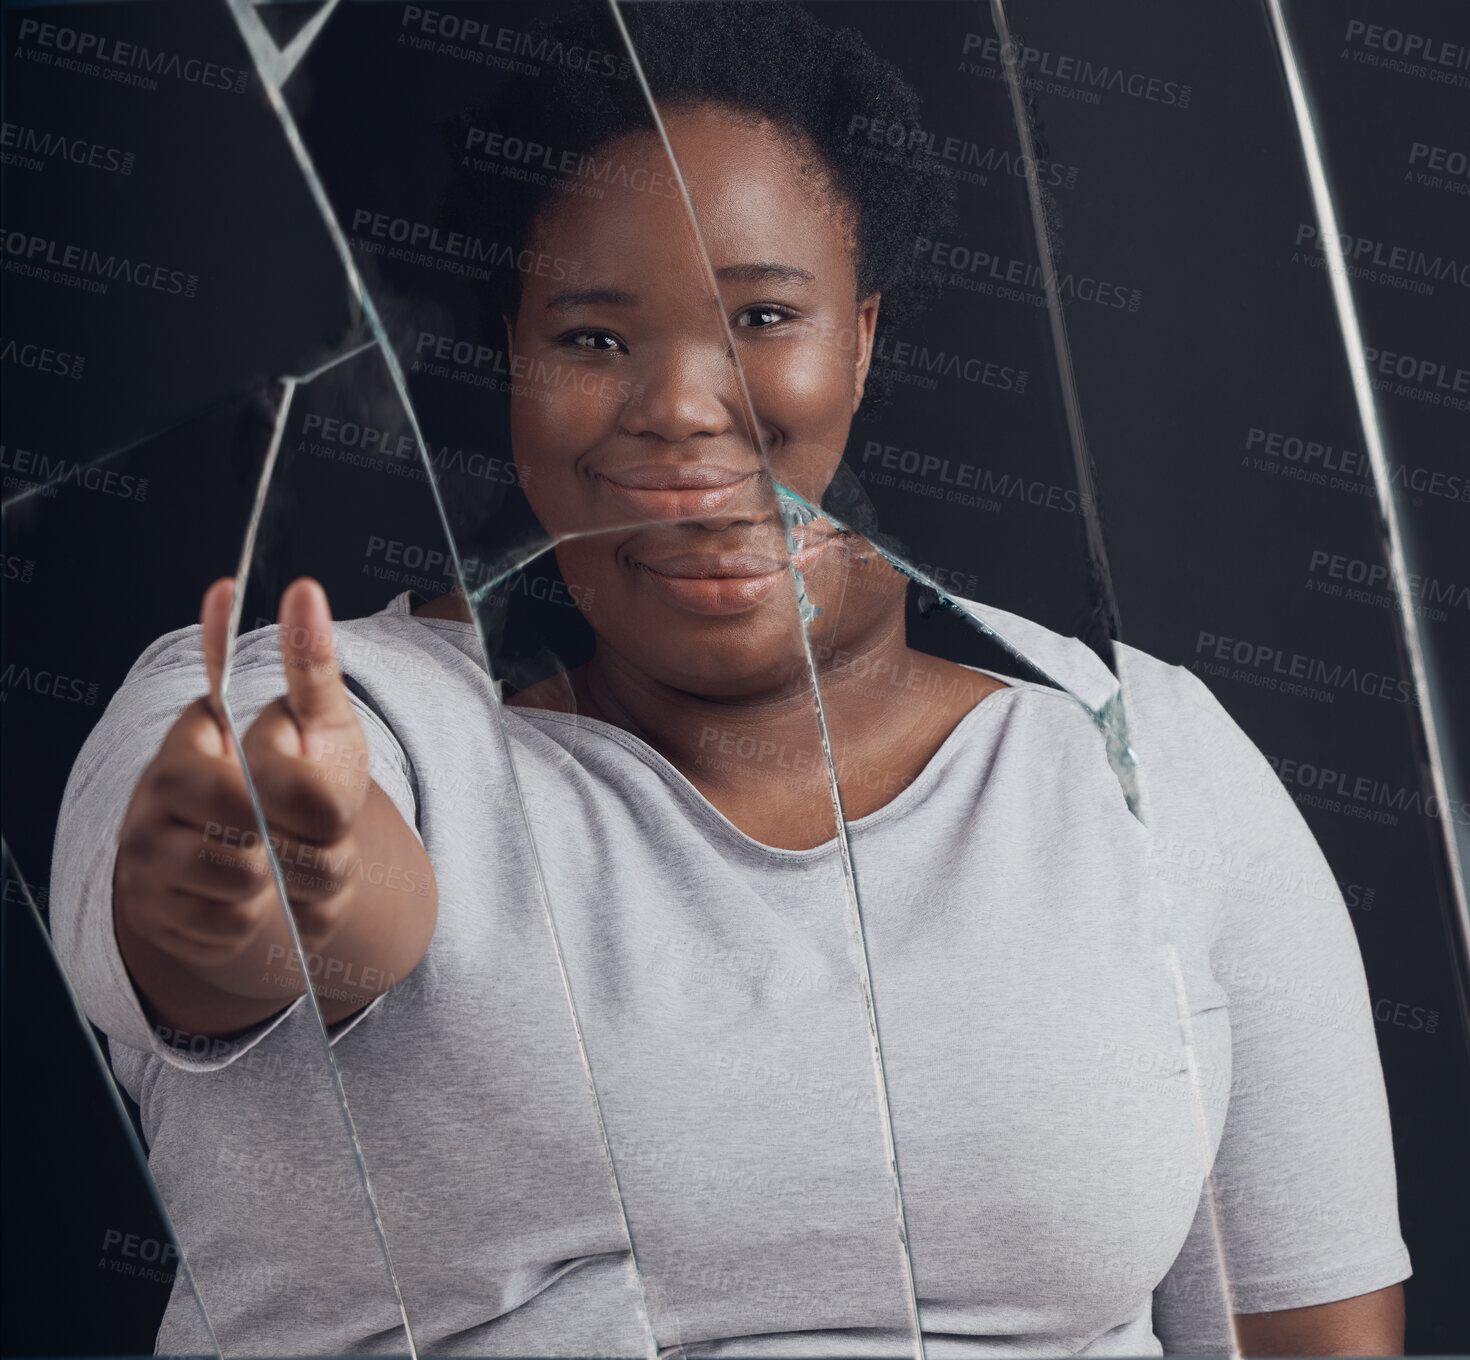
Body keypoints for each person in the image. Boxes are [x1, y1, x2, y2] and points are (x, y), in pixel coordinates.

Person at [52, 3, 1410, 1354]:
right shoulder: (290, 723)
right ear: (511, 358)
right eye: (593, 339)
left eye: (762, 315)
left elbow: (1310, 1325)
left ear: (862, 339)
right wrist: (282, 881)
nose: (685, 406)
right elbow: (271, 935)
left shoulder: (1142, 760)